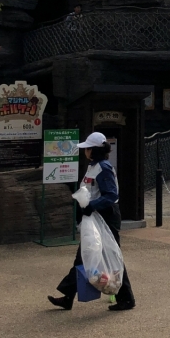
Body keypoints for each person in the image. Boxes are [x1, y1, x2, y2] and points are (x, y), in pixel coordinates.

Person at [48, 132, 136, 312]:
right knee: (87, 254)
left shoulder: (103, 168)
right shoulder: (94, 166)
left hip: (105, 216)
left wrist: (90, 206)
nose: (85, 151)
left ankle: (126, 298)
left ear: (93, 150)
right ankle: (68, 295)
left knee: (110, 254)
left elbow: (111, 195)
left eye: (87, 148)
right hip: (96, 215)